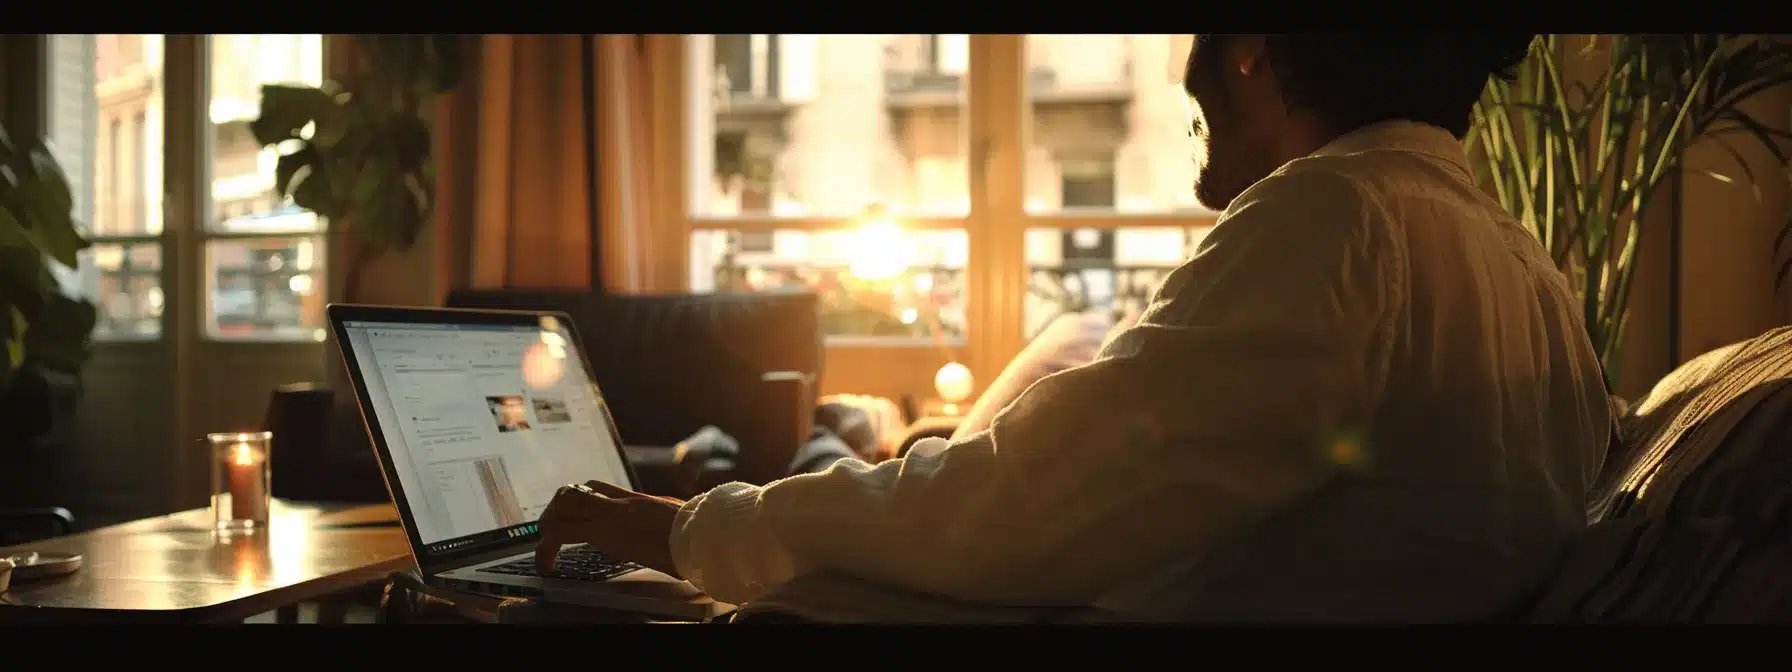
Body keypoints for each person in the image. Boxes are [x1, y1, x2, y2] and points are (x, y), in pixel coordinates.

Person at [535, 34, 1613, 622]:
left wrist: (682, 531)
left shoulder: (1336, 219)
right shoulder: (1523, 269)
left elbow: (1021, 506)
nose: (1181, 69)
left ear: (1249, 50)